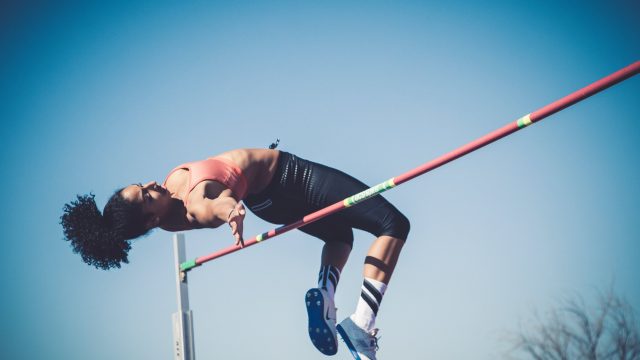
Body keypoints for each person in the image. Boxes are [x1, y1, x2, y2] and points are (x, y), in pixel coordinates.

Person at [61, 147, 410, 360]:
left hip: (270, 206)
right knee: (392, 224)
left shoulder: (166, 218)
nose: (153, 184)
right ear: (151, 218)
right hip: (293, 177)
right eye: (148, 195)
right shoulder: (195, 203)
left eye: (142, 185)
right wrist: (231, 211)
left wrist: (233, 206)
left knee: (340, 237)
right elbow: (213, 204)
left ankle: (326, 295)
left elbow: (211, 200)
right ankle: (361, 324)